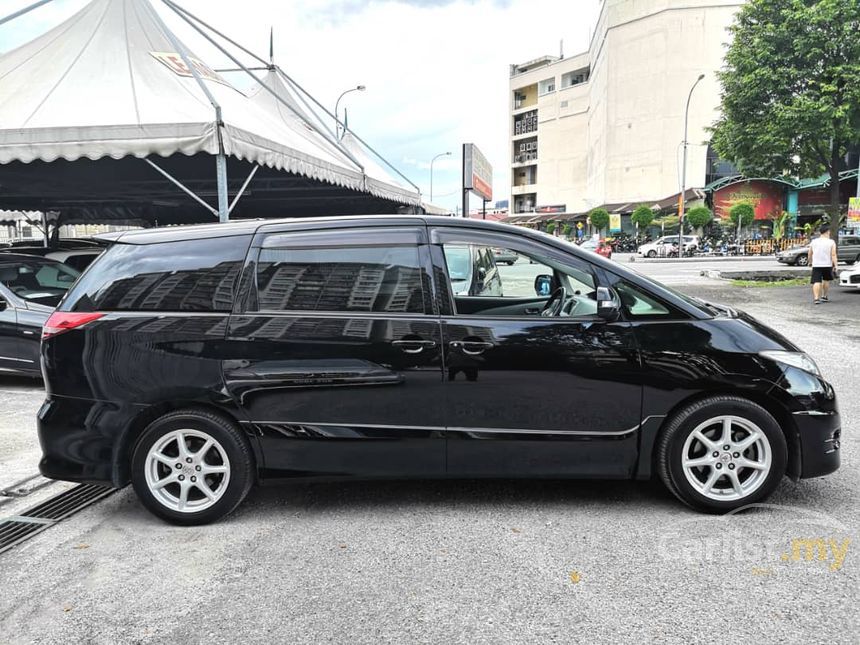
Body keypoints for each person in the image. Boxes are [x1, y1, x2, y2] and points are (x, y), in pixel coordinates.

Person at [808, 224, 838, 304]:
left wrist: (810, 262)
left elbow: (810, 253)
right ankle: (824, 296)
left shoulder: (814, 241)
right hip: (827, 264)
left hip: (816, 264)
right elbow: (833, 255)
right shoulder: (831, 242)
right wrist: (835, 265)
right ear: (827, 232)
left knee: (816, 281)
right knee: (826, 280)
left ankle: (816, 298)